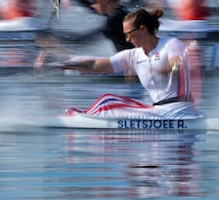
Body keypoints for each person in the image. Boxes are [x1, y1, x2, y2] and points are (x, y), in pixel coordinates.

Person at [61, 8, 202, 119]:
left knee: (108, 101)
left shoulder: (171, 44)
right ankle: (86, 115)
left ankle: (83, 117)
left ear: (142, 29)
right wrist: (63, 63)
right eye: (125, 35)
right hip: (159, 111)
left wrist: (165, 70)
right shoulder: (133, 55)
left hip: (179, 111)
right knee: (108, 100)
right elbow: (96, 64)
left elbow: (176, 63)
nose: (127, 40)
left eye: (129, 34)